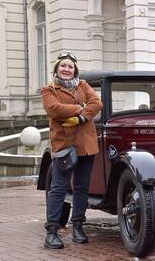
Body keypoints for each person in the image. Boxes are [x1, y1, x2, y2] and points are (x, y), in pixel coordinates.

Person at [41, 51, 103, 249]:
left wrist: (80, 117)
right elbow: (54, 109)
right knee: (59, 188)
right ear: (57, 69)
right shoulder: (49, 90)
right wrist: (80, 108)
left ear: (74, 69)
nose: (66, 69)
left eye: (70, 66)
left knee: (82, 187)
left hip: (86, 144)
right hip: (64, 145)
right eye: (63, 66)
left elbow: (97, 104)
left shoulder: (83, 85)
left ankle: (78, 226)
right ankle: (51, 231)